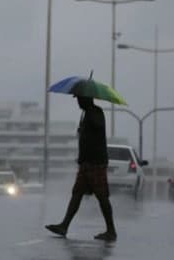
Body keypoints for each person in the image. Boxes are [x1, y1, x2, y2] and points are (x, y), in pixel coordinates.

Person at [45, 96, 117, 242]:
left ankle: (111, 231)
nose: (77, 102)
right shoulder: (87, 114)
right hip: (85, 163)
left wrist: (87, 121)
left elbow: (97, 126)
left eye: (79, 99)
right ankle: (64, 225)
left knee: (102, 197)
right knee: (76, 193)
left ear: (86, 100)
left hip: (95, 163)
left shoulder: (95, 112)